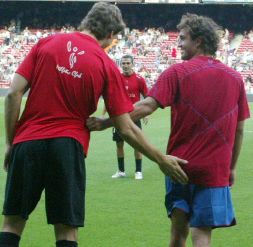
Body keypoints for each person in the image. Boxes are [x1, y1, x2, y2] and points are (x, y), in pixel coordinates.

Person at [0, 3, 188, 247]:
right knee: (66, 231)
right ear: (110, 35)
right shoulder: (107, 65)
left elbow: (13, 94)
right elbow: (126, 127)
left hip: (27, 142)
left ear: (87, 21)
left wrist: (10, 142)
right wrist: (161, 159)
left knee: (12, 224)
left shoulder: (46, 43)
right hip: (68, 147)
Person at [87, 13, 250, 247]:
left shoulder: (177, 73)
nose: (178, 43)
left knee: (177, 233)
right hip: (214, 170)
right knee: (202, 235)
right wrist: (231, 169)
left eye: (183, 38)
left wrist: (106, 123)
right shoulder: (235, 79)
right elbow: (239, 130)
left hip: (177, 166)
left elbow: (145, 107)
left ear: (199, 41)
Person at [103, 55, 149, 180]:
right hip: (118, 117)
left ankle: (138, 171)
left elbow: (147, 96)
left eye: (128, 63)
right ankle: (121, 171)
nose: (125, 65)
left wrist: (145, 114)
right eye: (123, 63)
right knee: (119, 144)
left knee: (137, 144)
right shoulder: (116, 79)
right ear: (120, 64)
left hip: (134, 117)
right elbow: (110, 95)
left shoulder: (139, 79)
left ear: (132, 64)